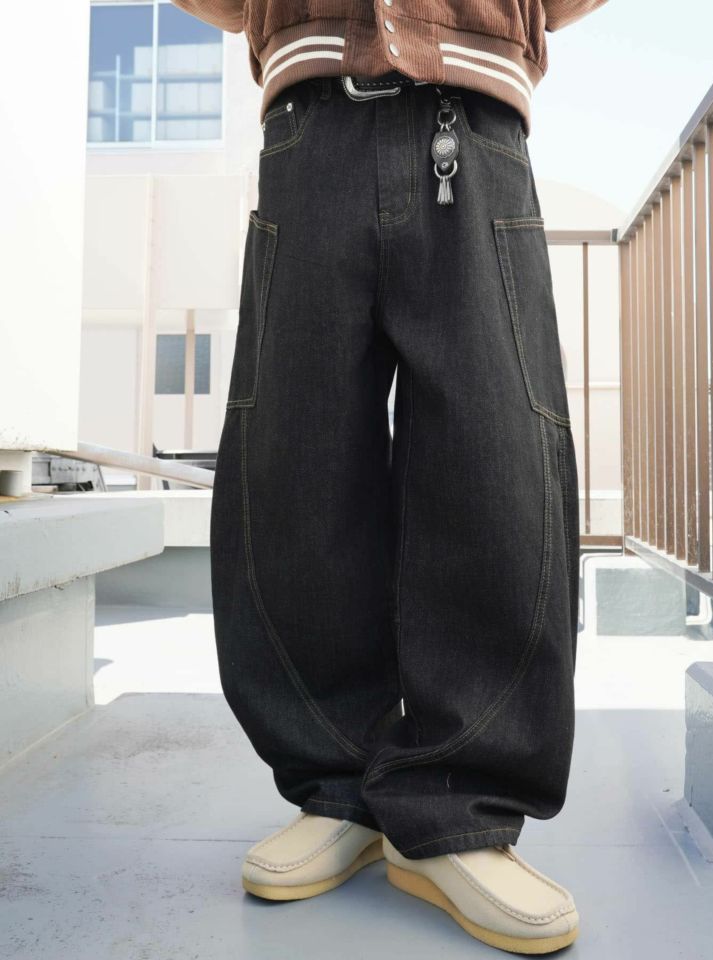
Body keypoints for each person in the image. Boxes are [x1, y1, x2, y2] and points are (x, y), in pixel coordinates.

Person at [173, 0, 607, 953]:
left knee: (496, 456)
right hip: (306, 127)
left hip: (472, 117)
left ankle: (460, 805)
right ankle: (336, 785)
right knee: (294, 458)